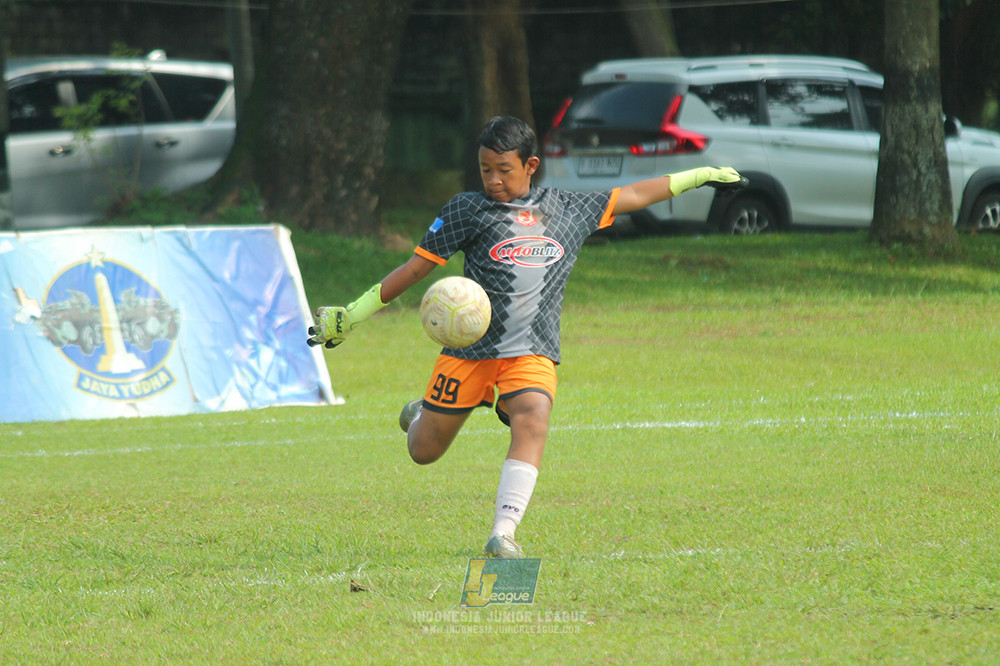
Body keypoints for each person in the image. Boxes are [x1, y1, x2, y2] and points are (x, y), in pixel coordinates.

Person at [308, 116, 745, 558]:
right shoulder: (466, 210)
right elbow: (415, 268)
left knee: (533, 416)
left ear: (530, 164)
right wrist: (352, 314)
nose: (493, 180)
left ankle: (504, 532)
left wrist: (699, 176)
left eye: (504, 169)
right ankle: (422, 413)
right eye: (485, 170)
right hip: (470, 353)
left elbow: (632, 194)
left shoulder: (567, 209)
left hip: (532, 351)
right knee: (424, 451)